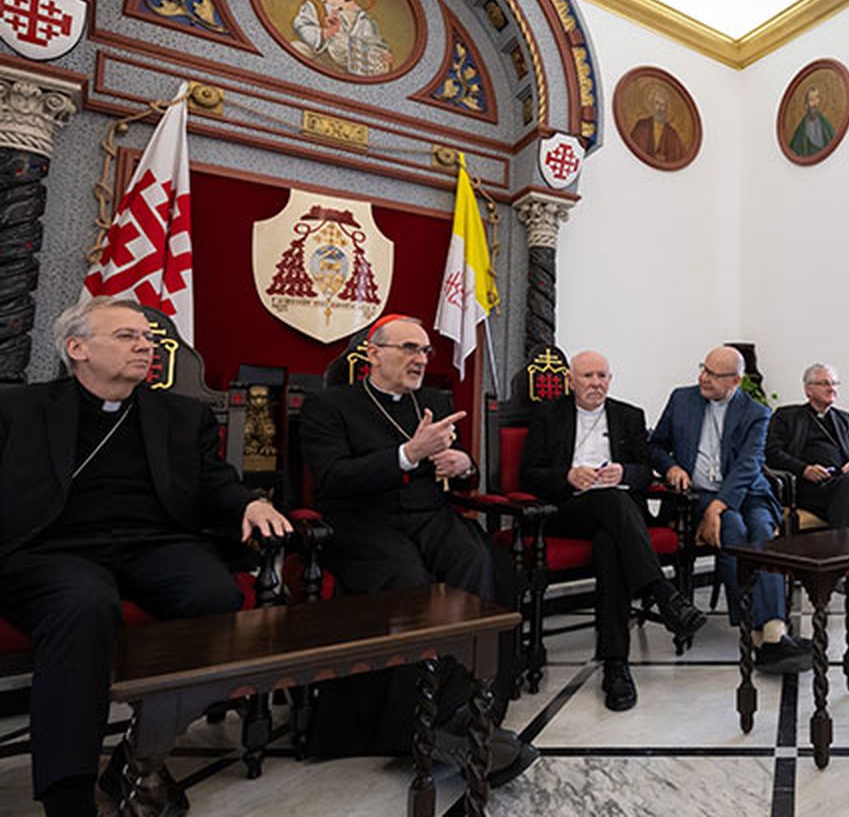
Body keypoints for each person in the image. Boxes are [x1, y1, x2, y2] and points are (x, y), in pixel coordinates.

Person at [0, 298, 294, 817]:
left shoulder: (181, 416)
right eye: (127, 337)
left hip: (152, 544)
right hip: (51, 550)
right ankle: (68, 793)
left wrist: (250, 501)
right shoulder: (18, 408)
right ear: (78, 348)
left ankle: (138, 758)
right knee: (84, 604)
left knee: (216, 595)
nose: (146, 345)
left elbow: (214, 481)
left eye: (147, 337)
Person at [298, 314, 535, 782]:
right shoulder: (328, 406)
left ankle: (469, 708)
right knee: (413, 586)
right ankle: (414, 722)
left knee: (483, 564)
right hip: (364, 524)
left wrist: (462, 460)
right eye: (409, 348)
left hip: (429, 515)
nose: (420, 359)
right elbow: (333, 479)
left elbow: (463, 467)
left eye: (425, 351)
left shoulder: (432, 401)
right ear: (373, 354)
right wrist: (408, 454)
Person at [519, 350, 707, 710]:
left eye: (602, 376)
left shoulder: (628, 415)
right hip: (568, 509)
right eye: (587, 376)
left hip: (617, 518)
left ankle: (615, 667)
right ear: (571, 381)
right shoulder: (548, 414)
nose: (595, 383)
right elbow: (527, 474)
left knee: (610, 543)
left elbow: (643, 470)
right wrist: (567, 476)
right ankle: (663, 592)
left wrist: (624, 473)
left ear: (610, 380)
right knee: (614, 504)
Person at [650, 346, 812, 674]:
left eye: (712, 374)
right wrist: (670, 468)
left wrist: (720, 505)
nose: (702, 378)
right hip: (697, 497)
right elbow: (654, 444)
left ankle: (770, 629)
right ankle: (758, 629)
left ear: (735, 380)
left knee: (763, 534)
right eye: (703, 369)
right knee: (733, 530)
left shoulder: (756, 412)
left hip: (749, 493)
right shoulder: (682, 399)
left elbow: (748, 465)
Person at [768, 363, 849, 628]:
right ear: (808, 389)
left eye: (834, 383)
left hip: (839, 488)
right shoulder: (786, 416)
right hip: (805, 491)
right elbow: (772, 454)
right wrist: (804, 469)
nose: (832, 388)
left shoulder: (845, 418)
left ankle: (840, 576)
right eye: (824, 383)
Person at [291, 0, 392, 76]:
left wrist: (385, 55)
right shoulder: (316, 5)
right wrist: (326, 33)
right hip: (320, 55)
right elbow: (303, 25)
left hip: (348, 64)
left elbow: (375, 43)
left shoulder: (363, 18)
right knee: (296, 48)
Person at [628, 86, 687, 163]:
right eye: (657, 103)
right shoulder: (641, 126)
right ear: (652, 105)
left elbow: (679, 157)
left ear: (666, 108)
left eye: (663, 105)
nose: (659, 108)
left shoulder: (672, 133)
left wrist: (666, 160)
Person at [788, 85, 836, 157]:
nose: (814, 104)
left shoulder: (825, 124)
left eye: (816, 98)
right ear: (806, 104)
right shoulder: (801, 129)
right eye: (811, 100)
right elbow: (794, 151)